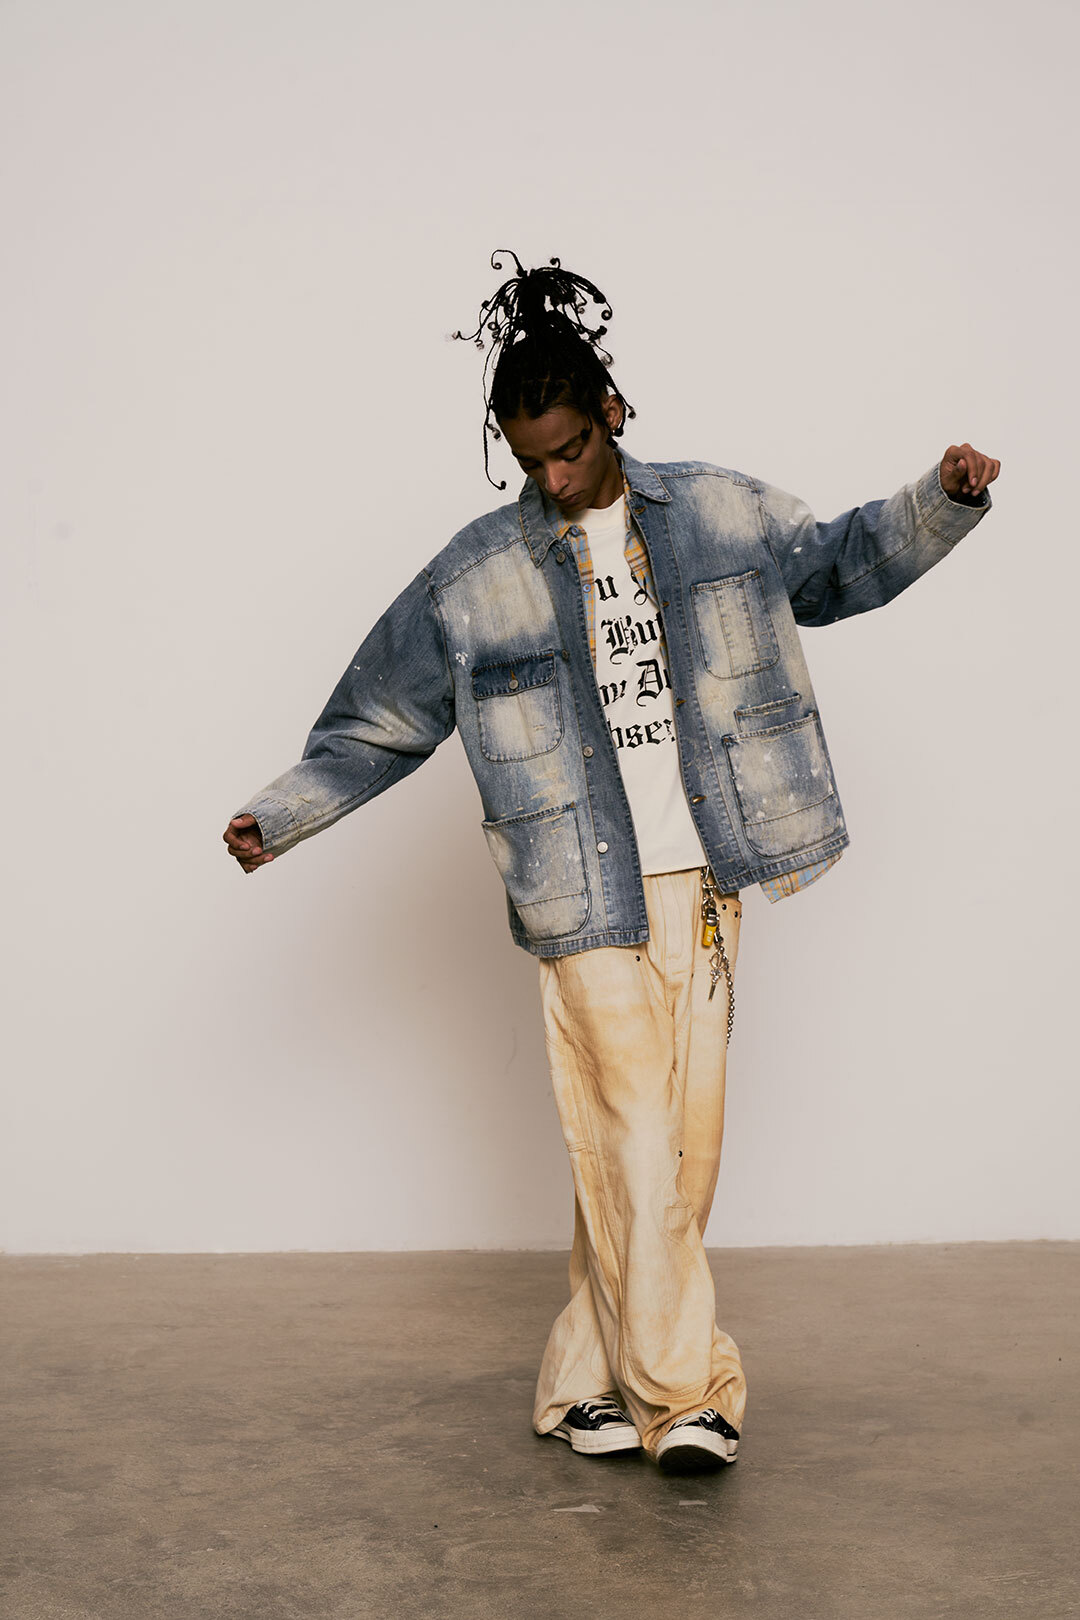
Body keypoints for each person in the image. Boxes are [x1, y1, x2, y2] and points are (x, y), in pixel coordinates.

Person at [222, 251, 999, 1473]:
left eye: (571, 449)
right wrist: (284, 814)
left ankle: (580, 1380)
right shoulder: (476, 577)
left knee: (676, 1151)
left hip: (708, 875)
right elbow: (380, 715)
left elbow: (839, 563)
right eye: (529, 459)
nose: (553, 477)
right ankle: (687, 1396)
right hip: (580, 892)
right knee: (633, 1137)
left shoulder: (722, 514)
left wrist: (940, 501)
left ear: (613, 413)